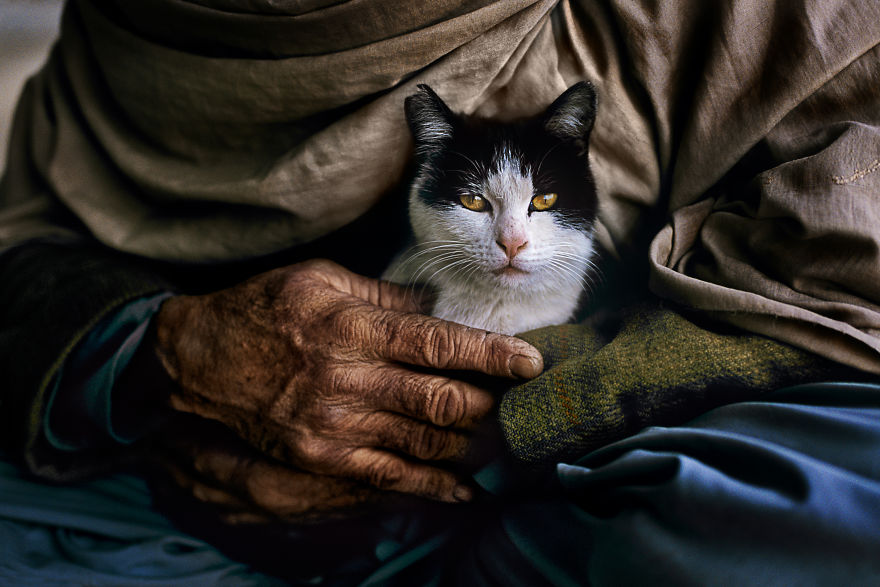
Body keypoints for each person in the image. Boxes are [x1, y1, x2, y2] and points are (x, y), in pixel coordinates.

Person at [2, 0, 880, 584]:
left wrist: (529, 396)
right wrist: (149, 349)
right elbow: (24, 241)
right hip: (188, 461)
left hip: (659, 401)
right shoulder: (129, 40)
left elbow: (847, 234)